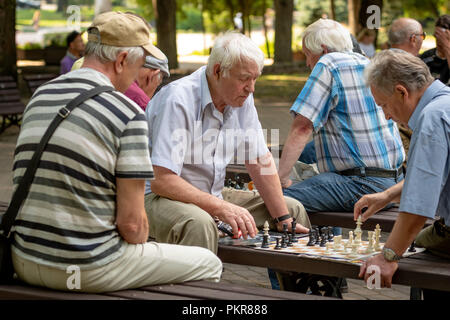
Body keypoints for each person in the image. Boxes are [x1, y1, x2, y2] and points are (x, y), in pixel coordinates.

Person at [10, 11, 222, 293]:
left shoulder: (42, 95)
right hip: (84, 267)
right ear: (122, 61)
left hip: (23, 259)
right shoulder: (127, 113)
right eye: (139, 66)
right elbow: (132, 227)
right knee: (208, 262)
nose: (138, 76)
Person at [144, 32, 311, 255]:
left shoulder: (242, 99)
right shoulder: (178, 99)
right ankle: (202, 289)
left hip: (211, 195)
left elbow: (259, 160)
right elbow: (161, 180)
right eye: (244, 78)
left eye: (255, 78)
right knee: (200, 223)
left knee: (293, 209)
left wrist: (283, 218)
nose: (251, 88)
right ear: (217, 71)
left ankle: (295, 288)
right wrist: (220, 207)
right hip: (158, 198)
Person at [279, 18, 405, 219]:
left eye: (307, 55)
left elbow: (302, 128)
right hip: (395, 184)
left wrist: (281, 178)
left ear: (323, 50)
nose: (307, 63)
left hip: (363, 184)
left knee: (274, 199)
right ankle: (329, 242)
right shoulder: (366, 62)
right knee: (325, 180)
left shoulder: (329, 64)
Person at [356, 50, 449, 295]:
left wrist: (388, 256)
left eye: (384, 105)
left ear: (401, 91)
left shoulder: (431, 118)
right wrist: (387, 195)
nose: (386, 116)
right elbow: (433, 176)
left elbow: (418, 209)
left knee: (416, 249)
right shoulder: (445, 102)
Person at [420, 15, 450, 86]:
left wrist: (446, 47)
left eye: (443, 37)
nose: (439, 41)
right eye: (436, 36)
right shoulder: (426, 57)